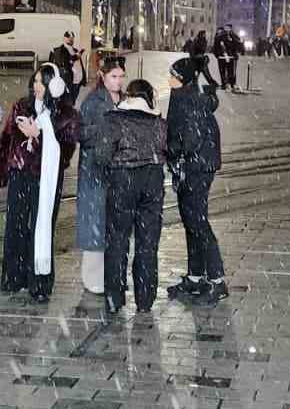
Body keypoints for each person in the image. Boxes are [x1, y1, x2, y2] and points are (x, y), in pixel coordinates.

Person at [0, 63, 79, 302]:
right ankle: (13, 277)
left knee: (42, 227)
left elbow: (65, 154)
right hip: (20, 175)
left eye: (42, 82)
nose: (37, 86)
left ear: (54, 85)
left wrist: (38, 136)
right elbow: (6, 141)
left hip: (46, 179)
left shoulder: (66, 115)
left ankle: (39, 282)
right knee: (15, 226)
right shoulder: (21, 106)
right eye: (36, 81)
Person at [95, 78, 168, 316]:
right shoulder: (159, 122)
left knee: (117, 239)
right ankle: (145, 299)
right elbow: (169, 150)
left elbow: (101, 155)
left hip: (122, 180)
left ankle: (114, 297)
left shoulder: (113, 120)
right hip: (153, 180)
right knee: (148, 241)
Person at [165, 57, 228, 306]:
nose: (169, 79)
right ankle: (195, 277)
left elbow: (188, 139)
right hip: (192, 165)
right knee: (191, 221)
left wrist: (169, 150)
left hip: (197, 167)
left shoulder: (190, 100)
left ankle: (217, 280)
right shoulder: (184, 95)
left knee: (198, 222)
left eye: (173, 75)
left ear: (184, 79)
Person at [76, 55, 125, 296]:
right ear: (103, 76)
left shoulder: (125, 100)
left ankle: (111, 275)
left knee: (113, 224)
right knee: (94, 222)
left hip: (117, 171)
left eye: (121, 76)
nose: (118, 81)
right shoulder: (93, 101)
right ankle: (92, 277)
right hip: (94, 169)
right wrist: (107, 130)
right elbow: (81, 133)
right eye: (114, 76)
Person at [48, 31, 86, 101]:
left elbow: (80, 65)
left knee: (74, 99)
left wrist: (83, 78)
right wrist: (75, 57)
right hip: (68, 81)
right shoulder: (59, 50)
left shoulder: (75, 50)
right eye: (69, 37)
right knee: (68, 100)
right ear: (64, 38)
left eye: (72, 38)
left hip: (78, 80)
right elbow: (65, 62)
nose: (71, 39)